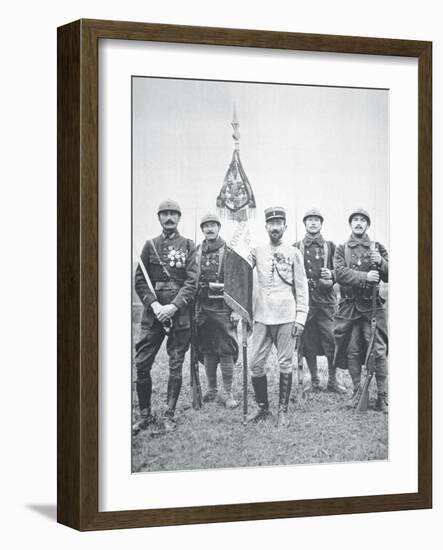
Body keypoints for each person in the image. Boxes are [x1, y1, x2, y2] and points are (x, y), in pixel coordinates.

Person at [133, 199, 197, 434]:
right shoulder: (149, 246)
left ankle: (169, 414)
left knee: (175, 364)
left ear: (179, 218)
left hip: (179, 317)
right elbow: (140, 280)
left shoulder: (189, 245)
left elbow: (192, 282)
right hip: (153, 316)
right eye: (164, 214)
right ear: (158, 218)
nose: (169, 218)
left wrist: (174, 306)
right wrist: (155, 305)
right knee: (141, 363)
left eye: (173, 214)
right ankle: (144, 414)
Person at [249, 207, 309, 426]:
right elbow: (239, 263)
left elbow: (302, 288)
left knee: (285, 363)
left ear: (284, 226)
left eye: (279, 223)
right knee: (256, 363)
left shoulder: (294, 253)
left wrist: (301, 317)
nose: (275, 227)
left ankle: (282, 411)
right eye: (271, 223)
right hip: (262, 316)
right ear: (266, 226)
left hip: (286, 315)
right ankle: (262, 407)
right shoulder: (257, 251)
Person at [333, 208, 389, 412]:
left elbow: (391, 273)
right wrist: (365, 277)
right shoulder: (342, 249)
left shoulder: (377, 248)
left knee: (378, 352)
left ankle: (383, 397)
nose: (358, 223)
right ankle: (358, 391)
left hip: (372, 308)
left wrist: (381, 263)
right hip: (349, 309)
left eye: (362, 220)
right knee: (352, 350)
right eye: (355, 220)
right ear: (350, 224)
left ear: (367, 225)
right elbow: (339, 273)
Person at [294, 208, 344, 392]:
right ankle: (314, 380)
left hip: (326, 302)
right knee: (308, 341)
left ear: (321, 224)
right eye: (310, 220)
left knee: (331, 339)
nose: (313, 223)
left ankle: (333, 381)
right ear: (305, 224)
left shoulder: (330, 246)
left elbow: (340, 271)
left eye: (316, 220)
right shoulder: (296, 246)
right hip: (306, 303)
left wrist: (331, 276)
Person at [195, 213, 240, 408]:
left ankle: (226, 392)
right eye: (206, 226)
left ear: (219, 228)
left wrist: (236, 309)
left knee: (226, 349)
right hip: (203, 309)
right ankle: (211, 390)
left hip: (223, 308)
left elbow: (237, 282)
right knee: (207, 348)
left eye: (213, 225)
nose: (210, 229)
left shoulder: (228, 251)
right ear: (202, 229)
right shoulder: (196, 251)